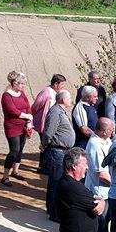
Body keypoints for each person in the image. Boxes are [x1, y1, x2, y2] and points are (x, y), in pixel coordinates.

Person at [56, 147, 106, 232]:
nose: (87, 167)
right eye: (85, 164)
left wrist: (101, 201)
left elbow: (93, 197)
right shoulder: (72, 187)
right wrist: (102, 202)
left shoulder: (73, 184)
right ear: (74, 166)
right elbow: (95, 206)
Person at [43, 90, 75, 220]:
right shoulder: (56, 111)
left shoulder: (61, 111)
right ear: (62, 99)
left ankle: (54, 209)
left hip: (63, 151)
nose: (71, 100)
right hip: (57, 151)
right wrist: (44, 144)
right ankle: (53, 212)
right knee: (56, 181)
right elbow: (49, 132)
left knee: (58, 180)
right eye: (69, 98)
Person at [1, 71, 33, 187]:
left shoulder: (21, 93)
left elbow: (28, 106)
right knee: (14, 150)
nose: (23, 86)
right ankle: (5, 176)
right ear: (15, 83)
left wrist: (29, 119)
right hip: (12, 127)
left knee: (20, 149)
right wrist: (26, 116)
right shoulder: (6, 95)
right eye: (21, 84)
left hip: (23, 126)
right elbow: (12, 110)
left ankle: (15, 171)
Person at [84, 118, 114, 232]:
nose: (113, 132)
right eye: (111, 130)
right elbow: (101, 174)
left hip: (107, 191)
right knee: (101, 223)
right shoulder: (95, 145)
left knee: (106, 221)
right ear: (104, 131)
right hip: (99, 191)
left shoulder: (106, 140)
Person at [31, 74, 67, 154]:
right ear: (55, 84)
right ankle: (43, 165)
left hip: (52, 123)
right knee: (45, 145)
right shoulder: (46, 92)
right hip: (45, 124)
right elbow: (36, 106)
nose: (63, 87)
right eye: (62, 84)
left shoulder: (55, 93)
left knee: (48, 146)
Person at [71, 86, 99, 151]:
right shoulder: (80, 108)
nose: (97, 98)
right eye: (94, 96)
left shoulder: (91, 105)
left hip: (92, 143)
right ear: (87, 97)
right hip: (84, 145)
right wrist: (98, 138)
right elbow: (84, 129)